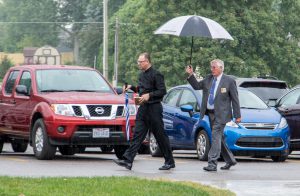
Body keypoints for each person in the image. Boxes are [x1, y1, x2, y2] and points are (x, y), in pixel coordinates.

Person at [113, 52, 175, 170]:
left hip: (154, 108)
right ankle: (128, 160)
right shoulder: (141, 75)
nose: (139, 64)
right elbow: (141, 90)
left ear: (147, 61)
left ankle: (170, 161)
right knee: (137, 134)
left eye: (140, 62)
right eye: (138, 62)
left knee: (160, 135)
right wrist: (132, 87)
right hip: (143, 108)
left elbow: (162, 91)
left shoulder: (157, 74)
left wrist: (149, 95)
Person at [185, 59, 241, 172]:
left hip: (222, 115)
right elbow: (196, 86)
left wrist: (237, 115)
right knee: (218, 138)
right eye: (211, 67)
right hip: (210, 114)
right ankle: (230, 160)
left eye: (214, 67)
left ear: (221, 68)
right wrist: (191, 74)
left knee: (215, 136)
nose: (212, 69)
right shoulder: (208, 79)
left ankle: (212, 163)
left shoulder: (229, 81)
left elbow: (235, 99)